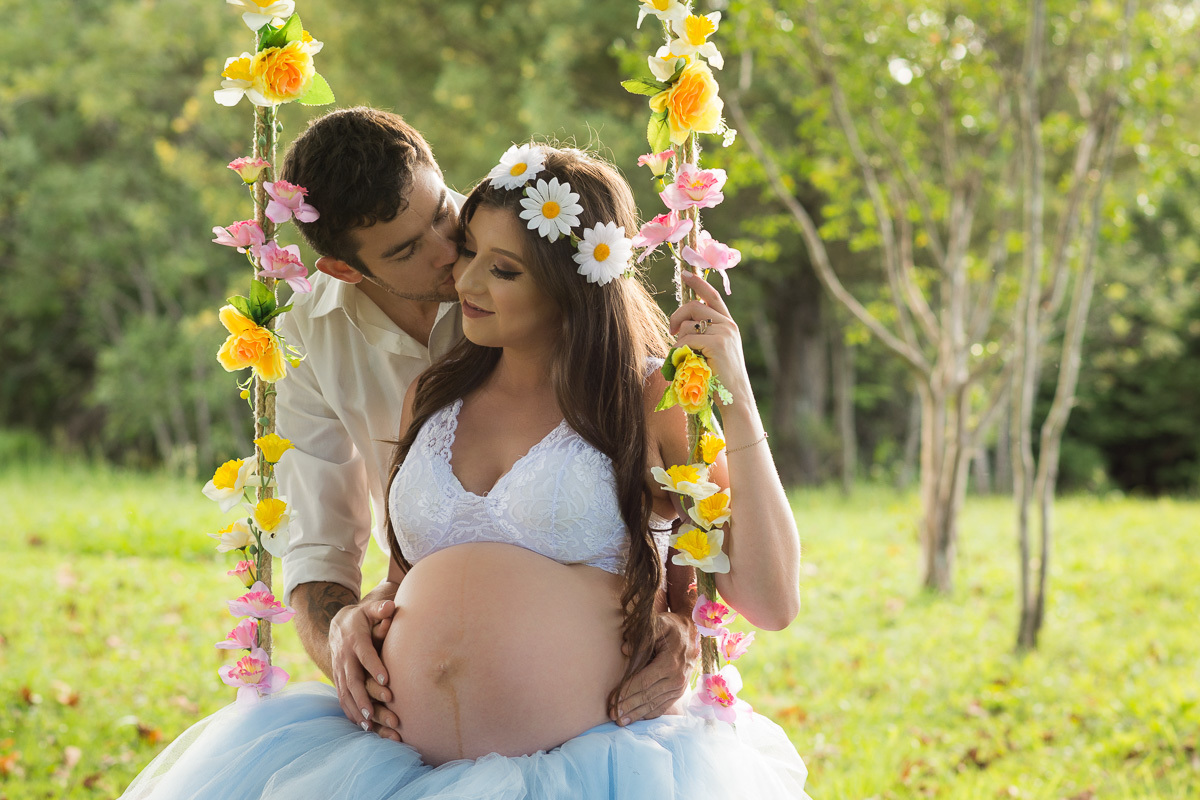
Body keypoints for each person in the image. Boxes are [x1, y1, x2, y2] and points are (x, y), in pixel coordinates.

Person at [120, 145, 811, 799]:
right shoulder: (437, 394)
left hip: (593, 764)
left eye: (502, 270)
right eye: (472, 249)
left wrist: (739, 402)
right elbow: (407, 576)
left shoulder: (647, 400)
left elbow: (771, 602)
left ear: (573, 285)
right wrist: (360, 618)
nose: (464, 278)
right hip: (391, 766)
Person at [271, 107, 695, 740]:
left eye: (443, 212)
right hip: (406, 725)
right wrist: (341, 631)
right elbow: (318, 540)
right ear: (345, 269)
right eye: (410, 249)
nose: (452, 256)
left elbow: (674, 489)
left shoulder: (531, 239)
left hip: (591, 716)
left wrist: (685, 624)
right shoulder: (308, 337)